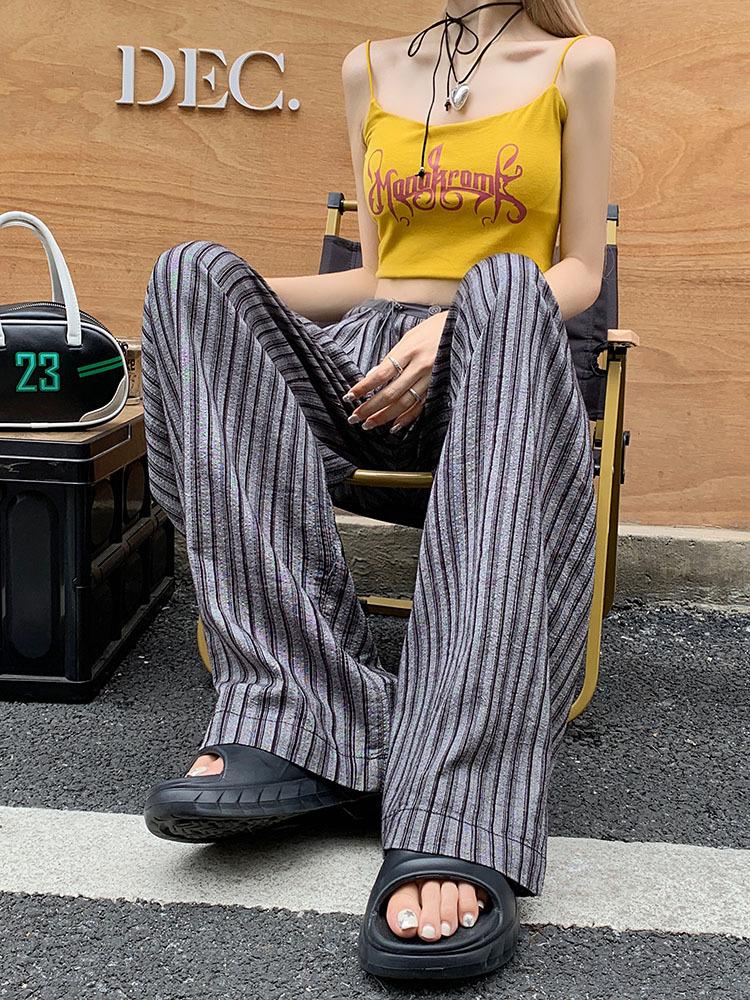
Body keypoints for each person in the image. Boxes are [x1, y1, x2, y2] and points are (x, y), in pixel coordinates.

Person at [139, 0, 615, 981]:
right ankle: (298, 714)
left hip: (500, 357)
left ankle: (459, 797)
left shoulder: (578, 62)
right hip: (369, 364)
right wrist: (214, 299)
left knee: (505, 286)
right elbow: (375, 276)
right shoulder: (370, 67)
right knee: (187, 273)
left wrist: (461, 321)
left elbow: (578, 267)